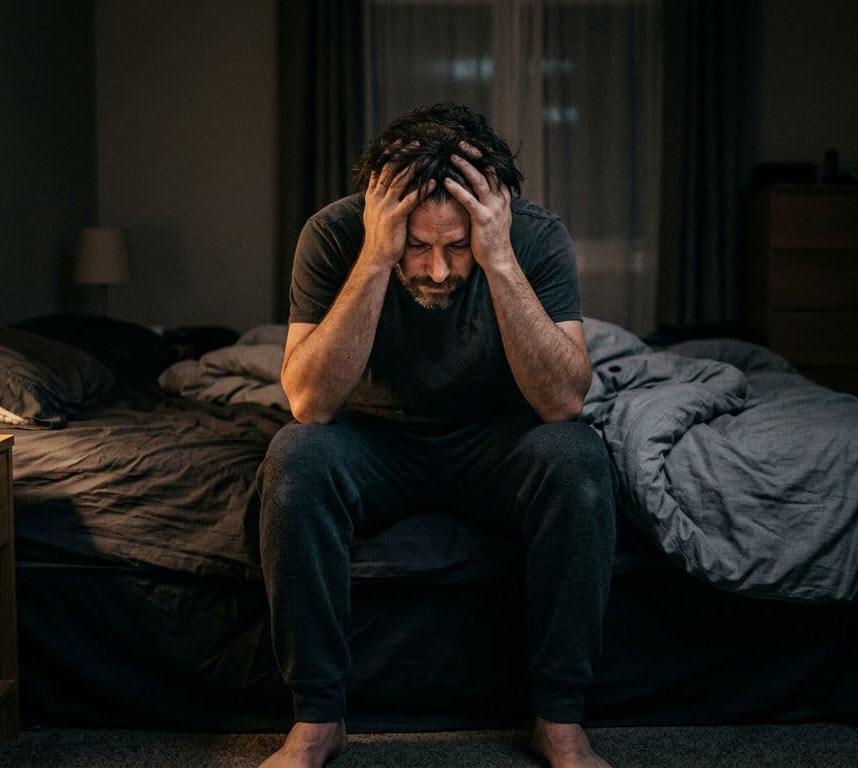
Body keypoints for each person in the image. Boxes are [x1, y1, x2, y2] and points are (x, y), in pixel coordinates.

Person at [257, 104, 616, 768]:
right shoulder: (334, 236)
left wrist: (500, 258)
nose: (438, 271)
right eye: (417, 247)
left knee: (578, 457)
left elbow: (564, 400)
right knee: (295, 457)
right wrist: (374, 257)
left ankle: (560, 721)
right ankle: (317, 720)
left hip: (497, 440)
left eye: (457, 247)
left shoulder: (534, 237)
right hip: (374, 440)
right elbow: (308, 401)